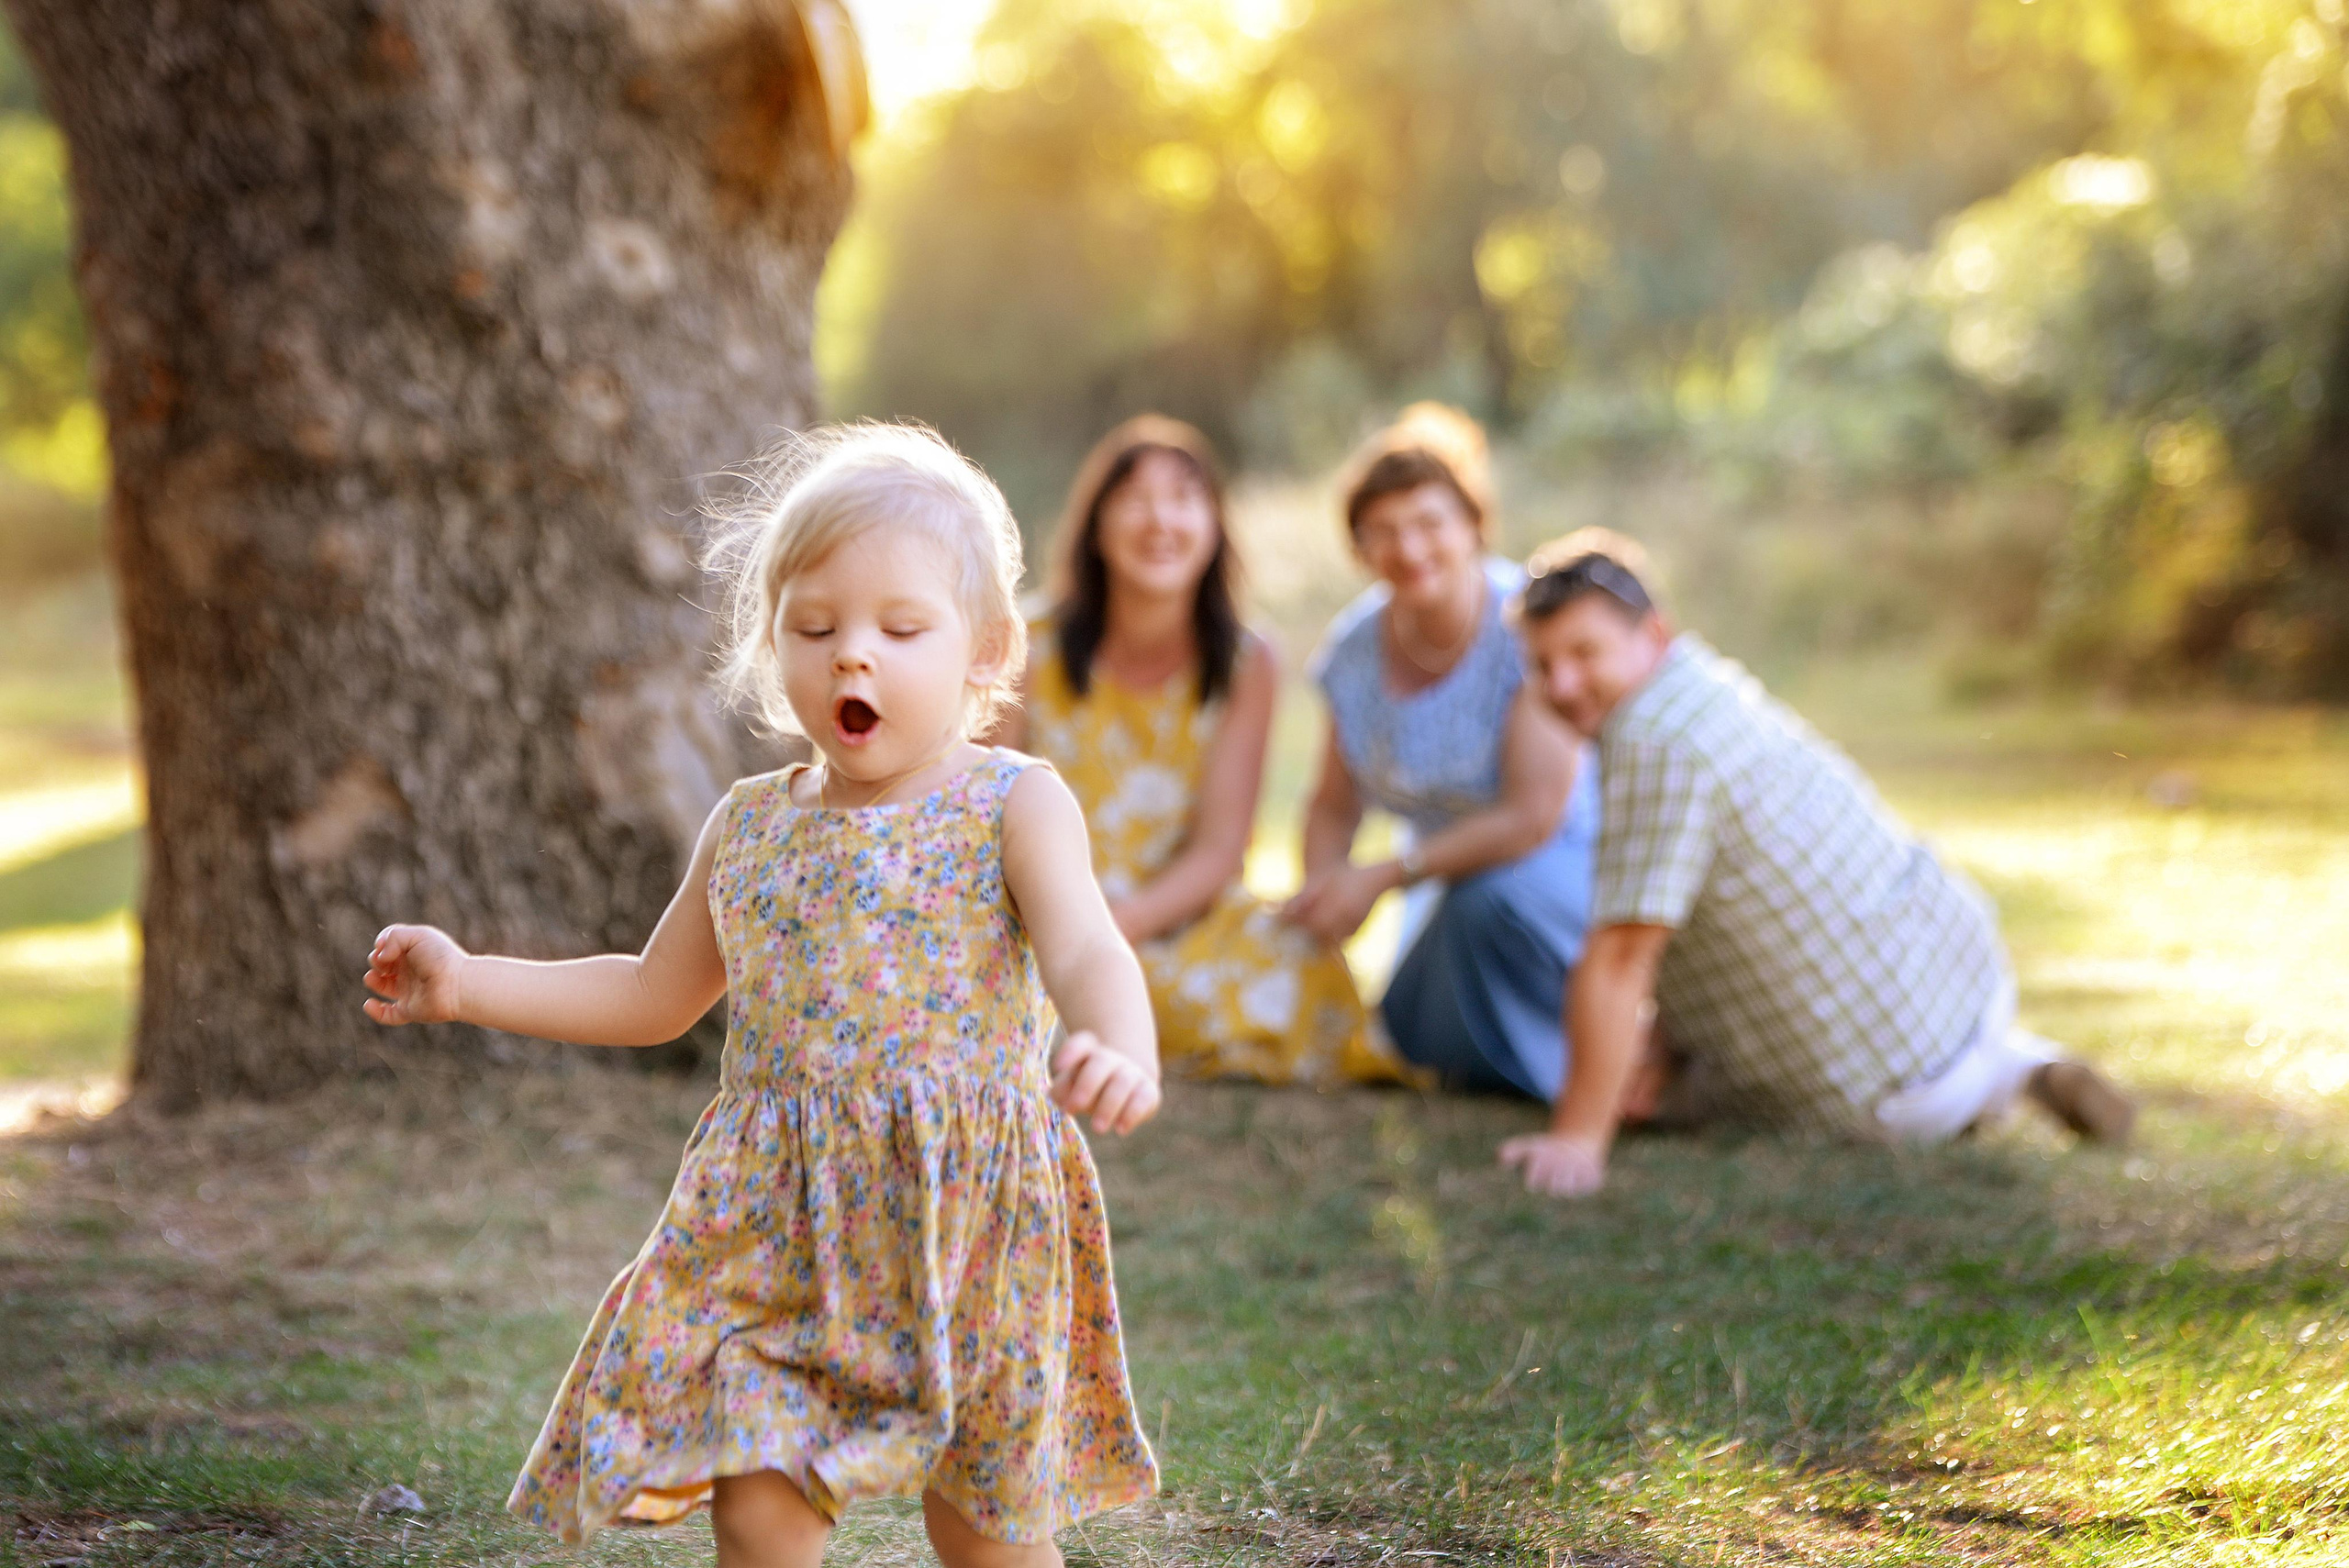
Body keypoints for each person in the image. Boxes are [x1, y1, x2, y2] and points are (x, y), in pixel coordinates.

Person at [360, 424, 1161, 1566]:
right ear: (771, 639)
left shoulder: (1011, 803)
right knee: (759, 1507)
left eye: (899, 628)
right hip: (780, 1223)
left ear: (985, 649)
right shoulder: (749, 826)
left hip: (967, 1223)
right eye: (815, 627)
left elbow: (1087, 949)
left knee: (984, 1533)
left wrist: (1121, 1043)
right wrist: (469, 980)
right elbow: (651, 992)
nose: (852, 658)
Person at [1497, 529, 2138, 1199]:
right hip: (1967, 989)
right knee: (1917, 1057)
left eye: (1584, 653)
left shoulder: (1651, 738)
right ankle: (2020, 1071)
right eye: (1543, 665)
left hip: (1873, 1087)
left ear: (1652, 633)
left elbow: (1622, 956)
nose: (1563, 684)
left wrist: (1578, 1138)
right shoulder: (1705, 688)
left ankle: (1970, 1094)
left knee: (1659, 1097)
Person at [998, 415, 1406, 1085]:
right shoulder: (1027, 643)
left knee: (1303, 964)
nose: (1161, 519)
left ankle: (1094, 1020)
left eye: (1184, 497)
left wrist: (1118, 928)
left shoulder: (1247, 659)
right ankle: (1086, 1014)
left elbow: (1221, 850)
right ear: (1095, 527)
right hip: (1042, 912)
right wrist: (1071, 933)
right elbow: (983, 805)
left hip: (1175, 917)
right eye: (1135, 499)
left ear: (1215, 525)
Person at [1286, 405, 1600, 1100]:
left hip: (1555, 867)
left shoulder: (1525, 624)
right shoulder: (1354, 649)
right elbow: (1333, 804)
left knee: (1481, 906)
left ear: (1472, 526)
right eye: (1383, 531)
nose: (1409, 548)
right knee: (1398, 1026)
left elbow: (1532, 817)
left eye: (1429, 523)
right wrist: (1326, 890)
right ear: (1360, 549)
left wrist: (1382, 877)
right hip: (1437, 884)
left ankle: (1587, 1061)